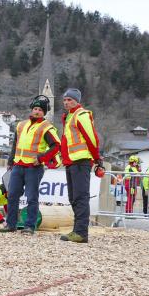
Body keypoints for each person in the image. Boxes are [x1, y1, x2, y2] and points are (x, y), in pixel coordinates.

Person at [0, 95, 60, 234]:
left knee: (32, 197)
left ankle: (30, 226)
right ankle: (11, 224)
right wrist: (10, 162)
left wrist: (41, 158)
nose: (37, 111)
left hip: (34, 167)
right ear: (31, 109)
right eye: (35, 108)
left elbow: (56, 146)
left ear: (44, 112)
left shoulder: (47, 127)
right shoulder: (21, 125)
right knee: (12, 195)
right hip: (18, 165)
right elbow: (15, 144)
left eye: (40, 109)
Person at [59, 88, 102, 243]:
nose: (66, 102)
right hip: (72, 161)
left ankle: (81, 232)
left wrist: (97, 158)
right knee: (74, 197)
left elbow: (91, 137)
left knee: (80, 197)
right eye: (64, 99)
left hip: (81, 160)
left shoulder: (81, 115)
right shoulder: (69, 117)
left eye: (70, 99)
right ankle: (77, 230)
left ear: (77, 101)